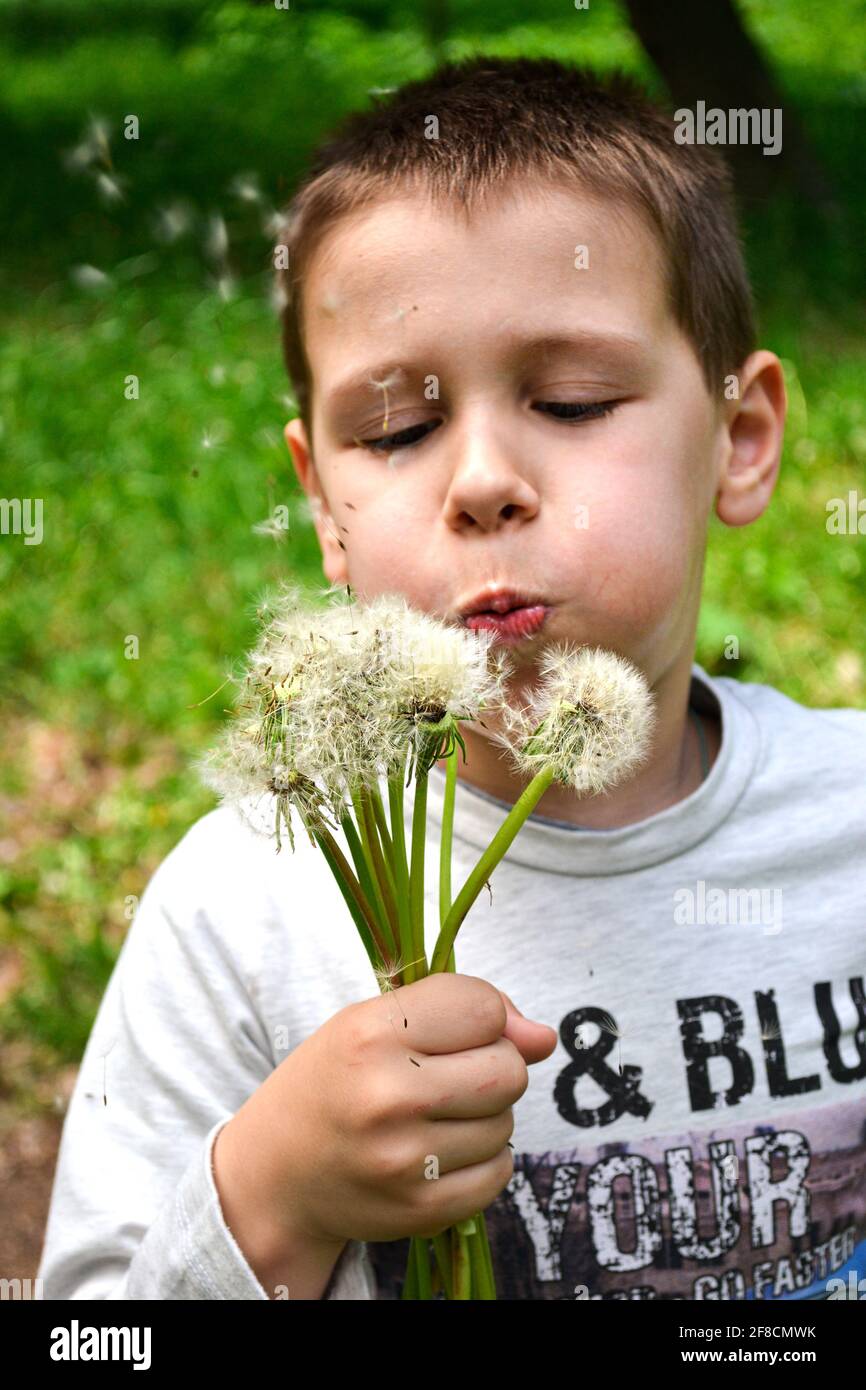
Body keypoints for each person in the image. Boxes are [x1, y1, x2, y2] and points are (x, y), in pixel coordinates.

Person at [38, 56, 866, 1301]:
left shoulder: (846, 825)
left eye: (572, 400)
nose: (481, 480)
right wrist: (270, 1194)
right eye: (397, 430)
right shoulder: (241, 907)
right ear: (321, 501)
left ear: (739, 440)